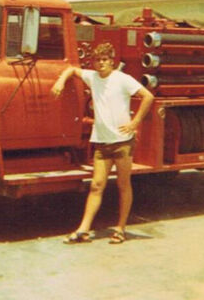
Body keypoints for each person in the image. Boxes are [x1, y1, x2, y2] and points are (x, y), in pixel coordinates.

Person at [51, 42, 154, 244]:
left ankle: (120, 229)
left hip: (122, 142)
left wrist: (135, 123)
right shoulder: (92, 77)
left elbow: (148, 96)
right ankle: (83, 229)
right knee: (97, 185)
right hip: (101, 142)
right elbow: (72, 69)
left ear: (112, 61)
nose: (101, 64)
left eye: (105, 60)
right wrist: (60, 82)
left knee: (124, 185)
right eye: (98, 60)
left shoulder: (122, 79)